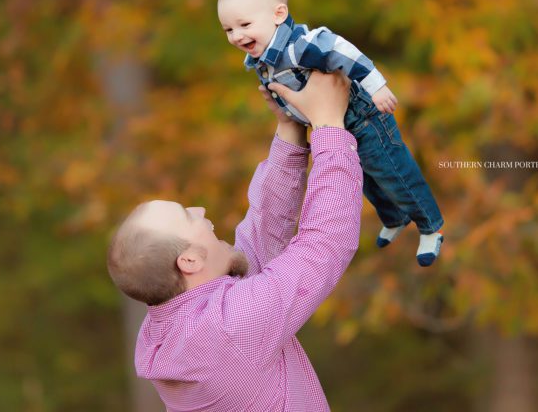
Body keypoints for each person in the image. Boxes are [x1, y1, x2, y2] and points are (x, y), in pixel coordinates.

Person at [108, 71, 362, 411]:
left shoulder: (173, 330)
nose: (199, 209)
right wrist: (330, 127)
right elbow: (324, 244)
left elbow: (257, 244)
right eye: (187, 216)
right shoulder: (230, 327)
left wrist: (290, 131)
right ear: (189, 261)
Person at [218, 0, 444, 266]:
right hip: (334, 126)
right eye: (229, 30)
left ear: (278, 14)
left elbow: (342, 50)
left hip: (363, 118)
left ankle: (431, 226)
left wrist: (376, 85)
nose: (237, 36)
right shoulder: (263, 59)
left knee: (393, 173)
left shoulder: (300, 45)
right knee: (366, 179)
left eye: (244, 24)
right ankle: (394, 218)